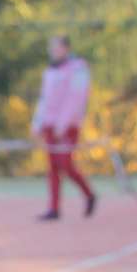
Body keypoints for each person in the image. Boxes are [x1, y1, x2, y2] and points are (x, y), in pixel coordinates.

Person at [31, 33, 97, 220]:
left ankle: (89, 194)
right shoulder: (50, 71)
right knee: (52, 166)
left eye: (57, 47)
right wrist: (37, 123)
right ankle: (54, 208)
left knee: (65, 164)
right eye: (51, 47)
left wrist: (63, 124)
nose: (53, 51)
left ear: (66, 48)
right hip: (49, 125)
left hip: (68, 126)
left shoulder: (79, 69)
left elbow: (77, 98)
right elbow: (44, 99)